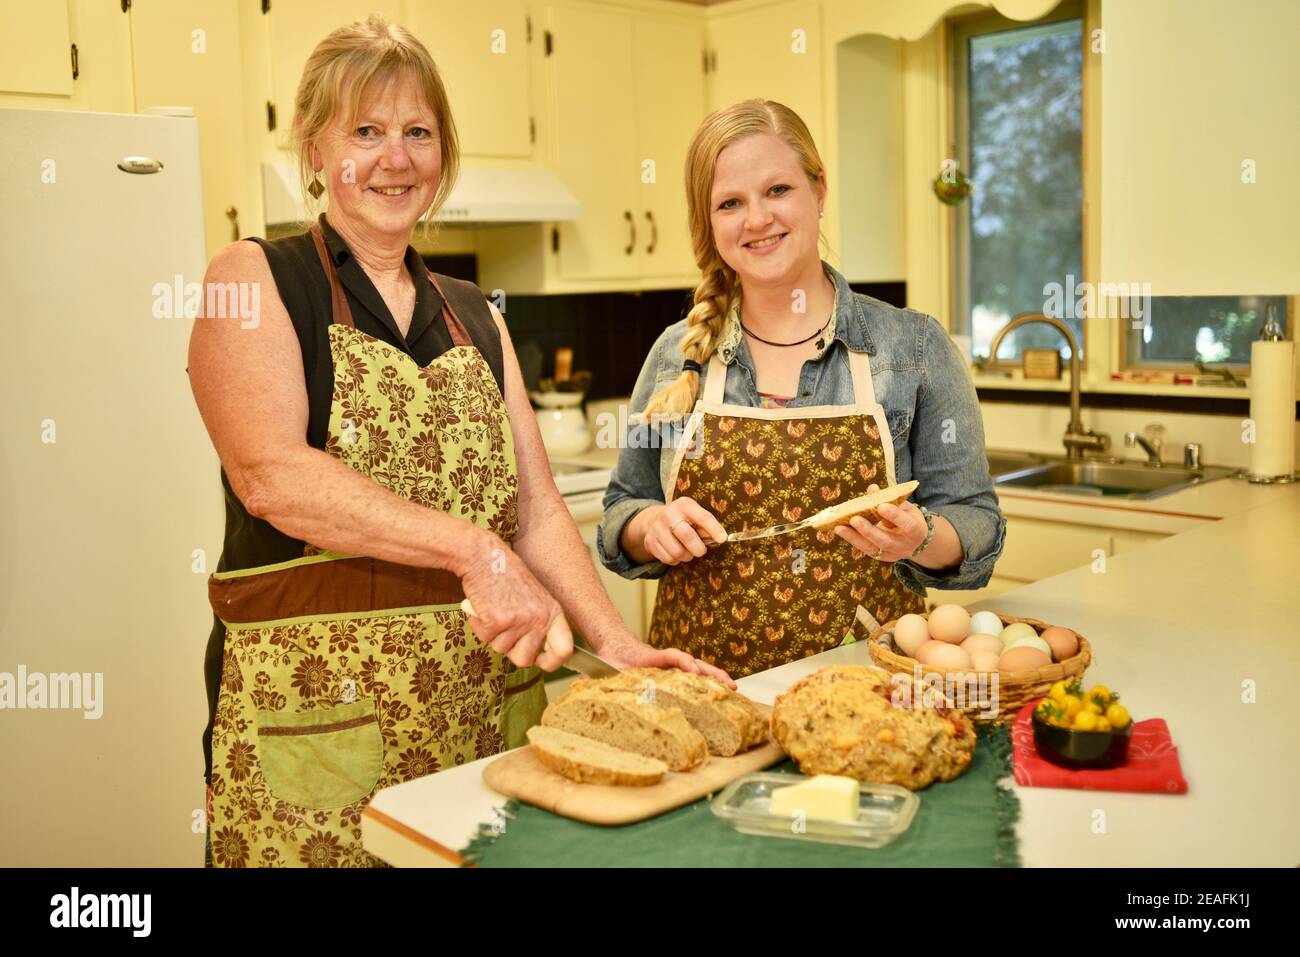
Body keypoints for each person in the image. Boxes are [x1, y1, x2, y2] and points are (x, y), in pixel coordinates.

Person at [188, 15, 729, 868]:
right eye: (366, 131)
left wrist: (614, 645)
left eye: (418, 133)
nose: (396, 158)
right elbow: (273, 478)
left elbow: (538, 508)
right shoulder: (253, 279)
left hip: (483, 731)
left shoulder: (475, 314)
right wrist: (476, 554)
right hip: (317, 739)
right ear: (314, 147)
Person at [599, 99, 1005, 678]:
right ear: (709, 223)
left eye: (778, 190)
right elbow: (622, 509)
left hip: (866, 691)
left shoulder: (912, 348)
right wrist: (649, 528)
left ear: (819, 190)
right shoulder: (675, 354)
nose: (757, 219)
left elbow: (977, 520)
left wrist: (922, 536)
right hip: (704, 693)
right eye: (730, 203)